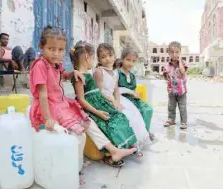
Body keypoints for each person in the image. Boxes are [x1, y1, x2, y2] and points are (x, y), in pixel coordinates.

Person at [29, 25, 134, 172]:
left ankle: (112, 151)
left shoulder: (56, 64)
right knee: (77, 133)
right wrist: (47, 118)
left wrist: (74, 73)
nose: (56, 54)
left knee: (87, 121)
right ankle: (72, 163)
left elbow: (64, 75)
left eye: (60, 50)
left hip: (61, 103)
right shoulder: (40, 65)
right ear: (41, 46)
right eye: (51, 49)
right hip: (49, 106)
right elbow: (42, 95)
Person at [70, 40, 143, 158]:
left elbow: (108, 90)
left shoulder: (86, 73)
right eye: (94, 58)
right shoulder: (80, 76)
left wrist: (114, 102)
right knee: (111, 121)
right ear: (87, 57)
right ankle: (116, 150)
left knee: (120, 116)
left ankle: (127, 146)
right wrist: (98, 111)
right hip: (92, 107)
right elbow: (82, 100)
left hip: (99, 102)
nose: (94, 62)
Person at [93, 43, 150, 150]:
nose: (108, 59)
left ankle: (133, 141)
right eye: (103, 57)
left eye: (110, 55)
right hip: (103, 100)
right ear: (99, 59)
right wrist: (113, 101)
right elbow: (99, 92)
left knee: (133, 113)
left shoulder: (114, 73)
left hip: (113, 99)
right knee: (125, 116)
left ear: (115, 56)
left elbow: (116, 90)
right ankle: (125, 144)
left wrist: (118, 102)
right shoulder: (99, 72)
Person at [117, 48, 155, 141]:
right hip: (122, 99)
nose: (131, 63)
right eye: (128, 60)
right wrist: (130, 92)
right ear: (122, 59)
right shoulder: (117, 73)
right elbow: (115, 89)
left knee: (148, 109)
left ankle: (146, 131)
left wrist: (135, 93)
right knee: (139, 111)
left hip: (133, 99)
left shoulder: (132, 75)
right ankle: (138, 134)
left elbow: (133, 88)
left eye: (133, 61)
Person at [163, 41, 188, 129]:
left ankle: (183, 122)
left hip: (181, 91)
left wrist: (180, 60)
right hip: (171, 90)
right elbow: (165, 76)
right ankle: (171, 119)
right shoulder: (167, 65)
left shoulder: (183, 63)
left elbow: (182, 71)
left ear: (180, 52)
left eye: (177, 52)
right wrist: (167, 78)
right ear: (169, 53)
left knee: (182, 107)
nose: (174, 54)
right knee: (171, 106)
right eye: (172, 52)